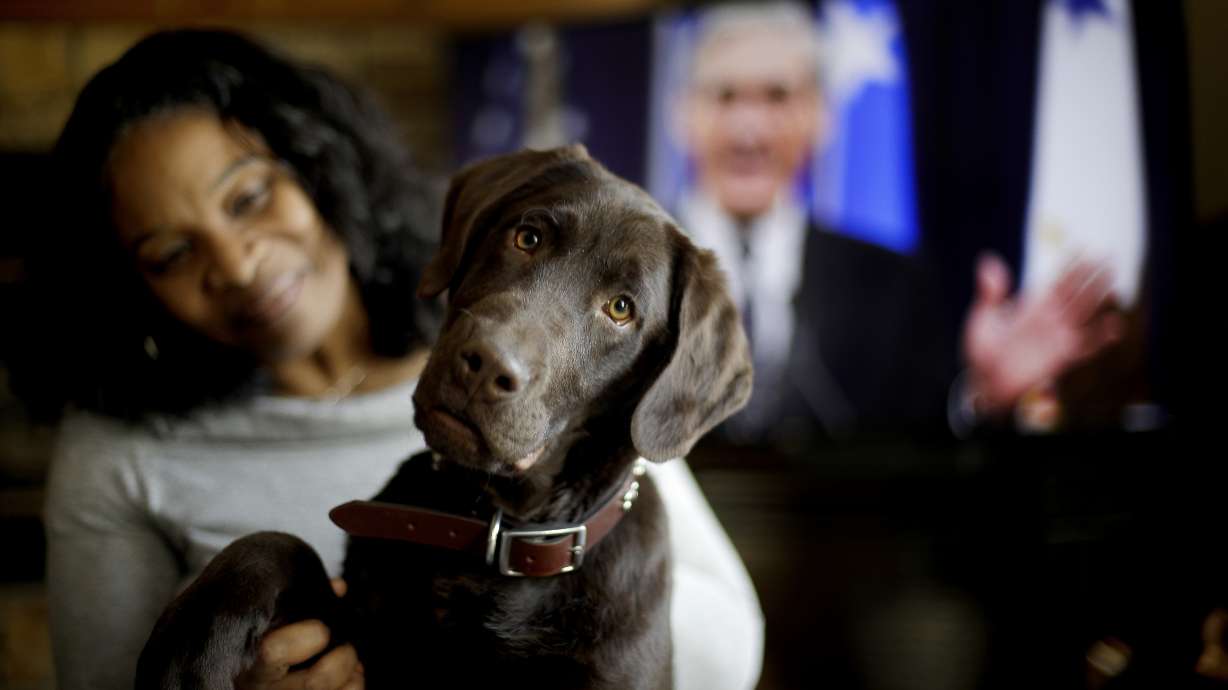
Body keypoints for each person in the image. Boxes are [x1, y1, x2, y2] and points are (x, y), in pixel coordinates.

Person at [14, 29, 763, 690]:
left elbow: (730, 652)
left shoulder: (605, 459)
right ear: (130, 288)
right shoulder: (119, 450)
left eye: (247, 198)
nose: (237, 264)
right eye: (173, 252)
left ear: (317, 164)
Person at [670, 2, 1125, 444]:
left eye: (777, 96)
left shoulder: (893, 284)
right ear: (684, 115)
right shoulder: (617, 276)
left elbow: (925, 451)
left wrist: (982, 395)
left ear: (819, 116)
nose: (750, 130)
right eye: (726, 97)